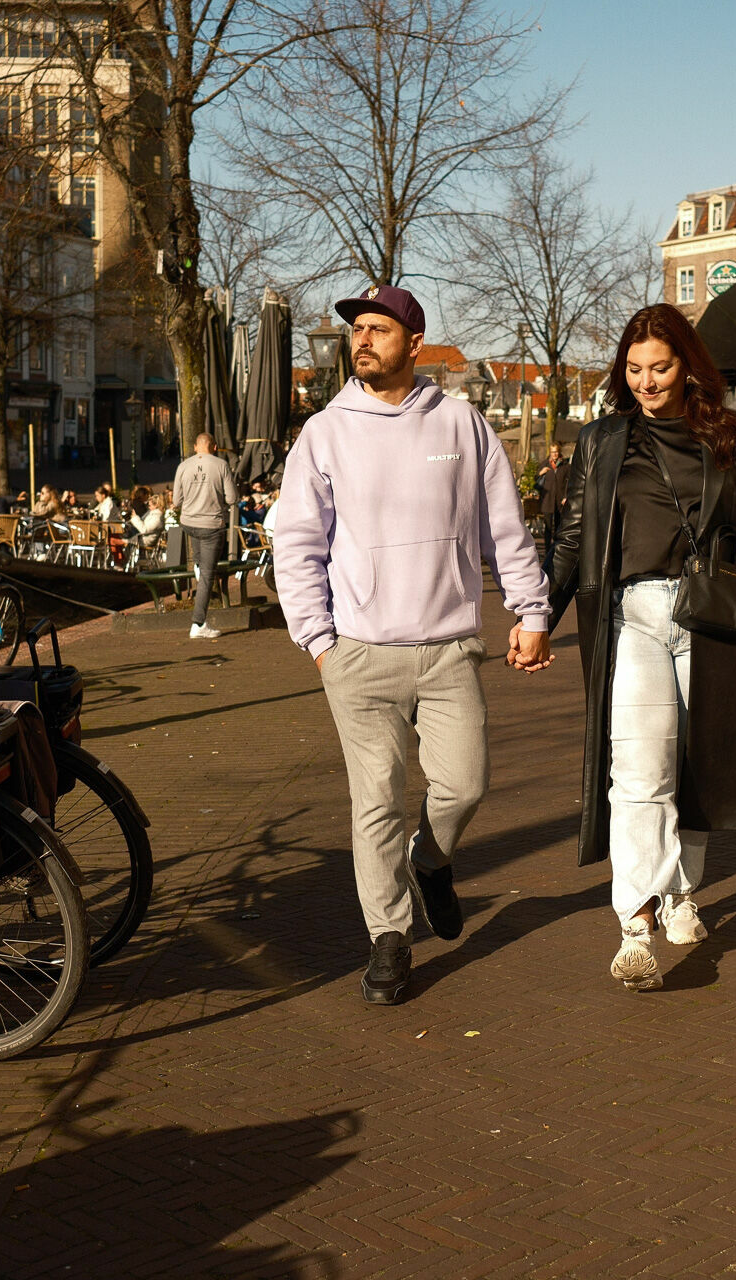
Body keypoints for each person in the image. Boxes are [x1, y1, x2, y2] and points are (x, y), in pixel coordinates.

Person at [276, 284, 553, 1007]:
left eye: (379, 329)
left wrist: (532, 610)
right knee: (374, 804)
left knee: (466, 783)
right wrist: (320, 642)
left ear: (414, 344)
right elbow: (297, 542)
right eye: (356, 329)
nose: (362, 339)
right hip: (359, 653)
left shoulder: (462, 424)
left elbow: (505, 531)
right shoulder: (324, 433)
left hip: (450, 647)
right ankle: (390, 938)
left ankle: (430, 860)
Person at [548, 303, 736, 993]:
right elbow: (571, 538)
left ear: (688, 367)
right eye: (635, 369)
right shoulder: (603, 440)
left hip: (712, 616)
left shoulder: (732, 437)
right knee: (640, 771)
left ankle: (680, 891)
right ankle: (635, 925)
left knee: (701, 766)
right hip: (633, 616)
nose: (646, 382)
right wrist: (536, 616)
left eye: (661, 368)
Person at [173, 433, 239, 640]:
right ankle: (198, 623)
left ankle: (199, 567)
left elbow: (176, 500)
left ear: (195, 447)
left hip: (189, 523)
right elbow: (232, 498)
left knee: (202, 566)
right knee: (208, 576)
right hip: (210, 525)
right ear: (215, 446)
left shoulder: (183, 466)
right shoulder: (221, 465)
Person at [537, 443, 570, 560]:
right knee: (547, 528)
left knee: (558, 527)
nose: (554, 454)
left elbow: (569, 482)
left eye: (556, 452)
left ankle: (556, 551)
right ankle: (547, 551)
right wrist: (540, 473)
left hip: (559, 501)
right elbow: (535, 481)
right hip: (547, 500)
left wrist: (566, 496)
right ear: (549, 453)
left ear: (559, 452)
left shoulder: (565, 465)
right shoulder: (544, 464)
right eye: (552, 452)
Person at [126, 484, 165, 550]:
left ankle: (120, 559)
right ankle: (121, 559)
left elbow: (144, 529)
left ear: (156, 505)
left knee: (117, 541)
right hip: (139, 537)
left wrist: (135, 517)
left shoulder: (157, 517)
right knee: (116, 540)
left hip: (144, 541)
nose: (148, 507)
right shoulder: (151, 513)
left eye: (149, 505)